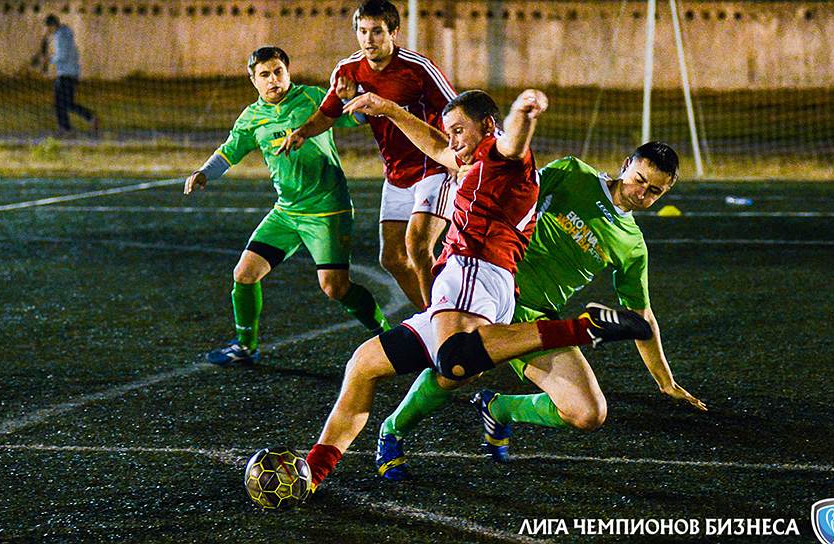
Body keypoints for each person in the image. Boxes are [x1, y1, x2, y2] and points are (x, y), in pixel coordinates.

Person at [302, 88, 657, 491]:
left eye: (459, 130)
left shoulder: (502, 158)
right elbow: (438, 147)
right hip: (471, 283)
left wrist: (524, 112)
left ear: (487, 126)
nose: (452, 141)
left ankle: (583, 328)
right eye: (449, 131)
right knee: (363, 365)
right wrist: (388, 109)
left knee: (455, 360)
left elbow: (513, 144)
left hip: (476, 272)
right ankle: (313, 471)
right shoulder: (471, 159)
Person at [372, 142, 708, 481]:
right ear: (625, 165)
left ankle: (499, 407)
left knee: (588, 412)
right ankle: (392, 430)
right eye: (639, 179)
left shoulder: (633, 245)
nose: (642, 193)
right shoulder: (573, 174)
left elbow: (641, 317)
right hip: (491, 291)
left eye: (655, 191)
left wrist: (666, 382)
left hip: (536, 320)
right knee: (456, 369)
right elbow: (513, 192)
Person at [184, 46, 390, 366]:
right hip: (286, 212)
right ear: (253, 81)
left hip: (327, 210)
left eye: (278, 71)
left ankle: (389, 337)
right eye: (264, 75)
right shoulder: (252, 117)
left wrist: (360, 99)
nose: (273, 80)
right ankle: (245, 346)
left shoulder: (311, 98)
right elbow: (230, 151)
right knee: (245, 273)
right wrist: (204, 173)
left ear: (288, 72)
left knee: (335, 288)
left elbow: (355, 117)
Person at [278, 0, 458, 310]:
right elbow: (328, 113)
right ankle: (433, 314)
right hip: (396, 175)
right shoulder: (349, 70)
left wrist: (460, 156)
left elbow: (456, 109)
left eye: (376, 32)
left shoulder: (418, 69)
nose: (368, 40)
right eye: (362, 31)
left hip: (434, 169)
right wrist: (302, 132)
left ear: (394, 33)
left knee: (417, 246)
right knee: (391, 258)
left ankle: (441, 330)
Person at [40, 15, 97, 137]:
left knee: (59, 102)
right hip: (72, 73)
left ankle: (65, 129)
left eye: (47, 28)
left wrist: (48, 60)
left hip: (66, 73)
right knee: (68, 103)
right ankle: (91, 118)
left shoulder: (60, 36)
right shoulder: (66, 34)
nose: (47, 31)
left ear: (52, 25)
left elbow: (62, 55)